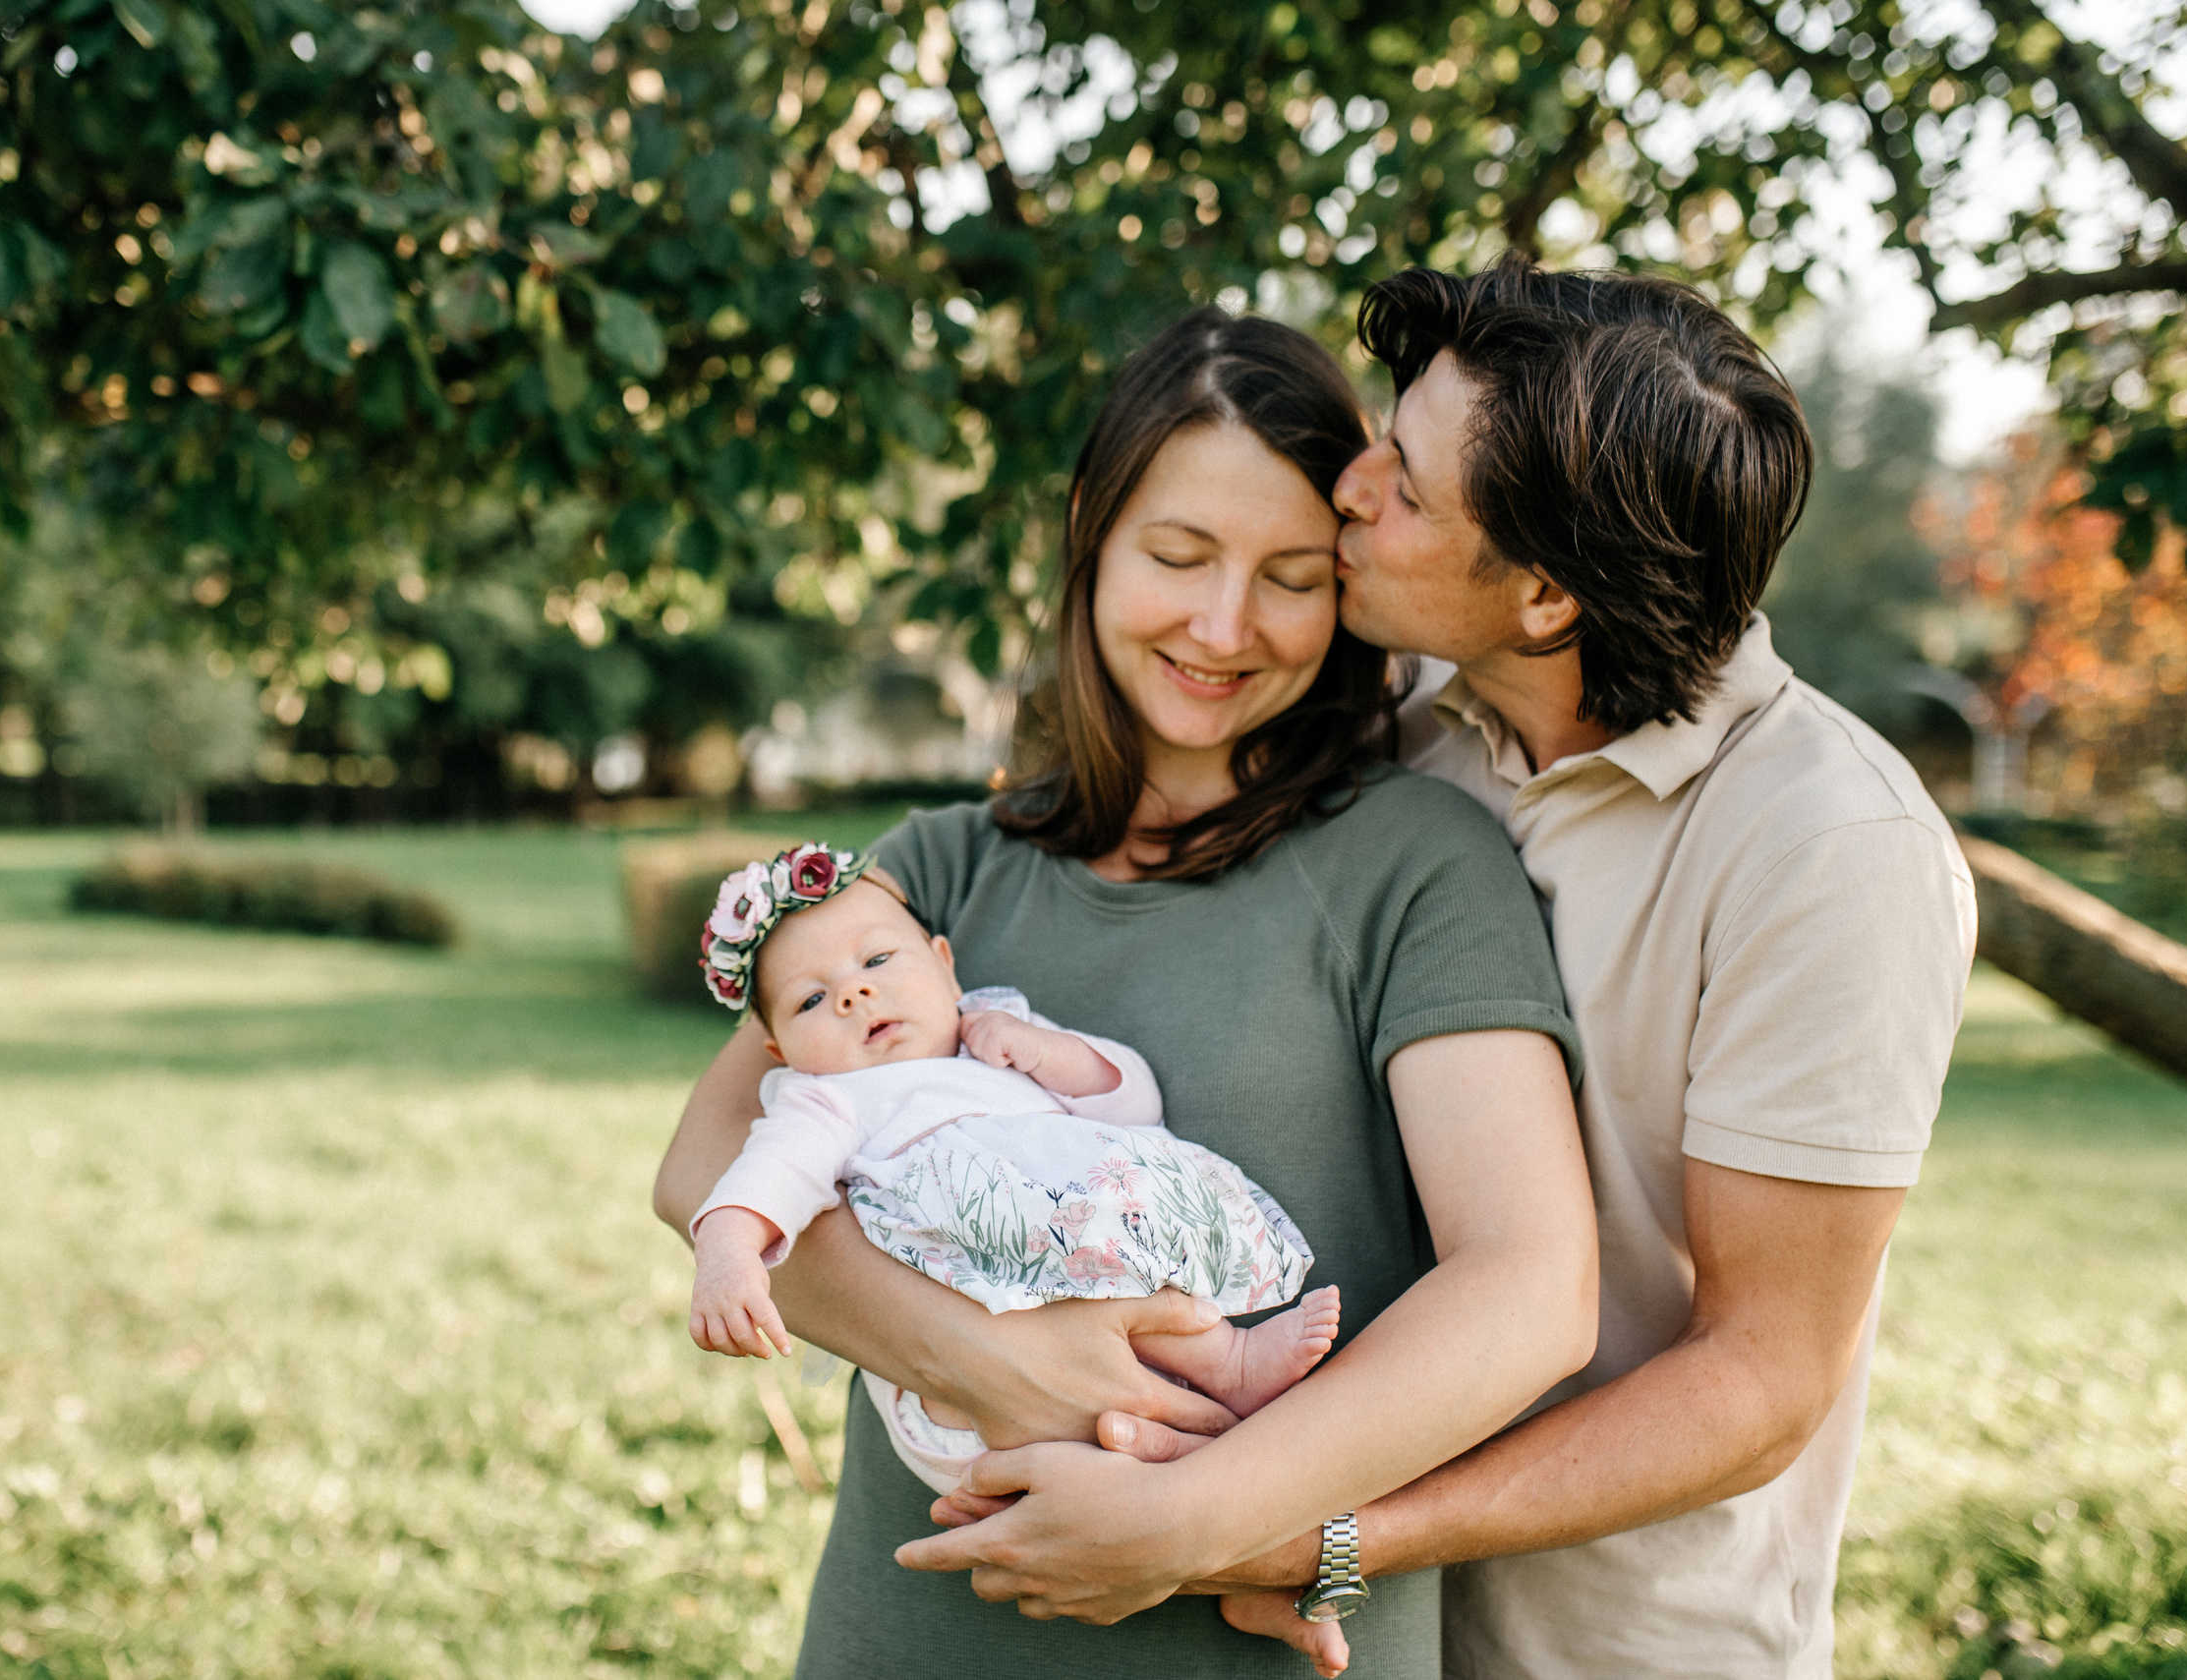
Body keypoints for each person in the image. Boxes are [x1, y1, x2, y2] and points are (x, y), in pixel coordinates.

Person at [908, 259, 1978, 1678]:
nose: (1349, 487)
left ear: (1542, 599)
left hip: (1604, 1642)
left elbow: (1764, 1379)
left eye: (1404, 485)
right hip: (1321, 1613)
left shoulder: (1831, 848)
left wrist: (1316, 1531)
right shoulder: (1408, 727)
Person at [652, 306, 1600, 1679]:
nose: (1225, 624)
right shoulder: (929, 878)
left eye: (1290, 573)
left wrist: (1191, 1517)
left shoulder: (1416, 862)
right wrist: (991, 1364)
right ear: (1091, 536)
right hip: (917, 1633)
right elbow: (701, 1166)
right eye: (1177, 555)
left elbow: (1531, 1287)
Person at [682, 841, 1348, 1669]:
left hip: (1077, 1269)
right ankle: (1237, 1366)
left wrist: (1049, 1054)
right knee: (1122, 1444)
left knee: (1171, 1407)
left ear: (944, 964)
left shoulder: (997, 1031)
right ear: (778, 1047)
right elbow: (764, 1175)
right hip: (977, 1355)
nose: (855, 992)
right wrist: (729, 1254)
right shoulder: (829, 1101)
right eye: (814, 999)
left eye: (878, 960)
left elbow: (1133, 1099)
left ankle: (1269, 1579)